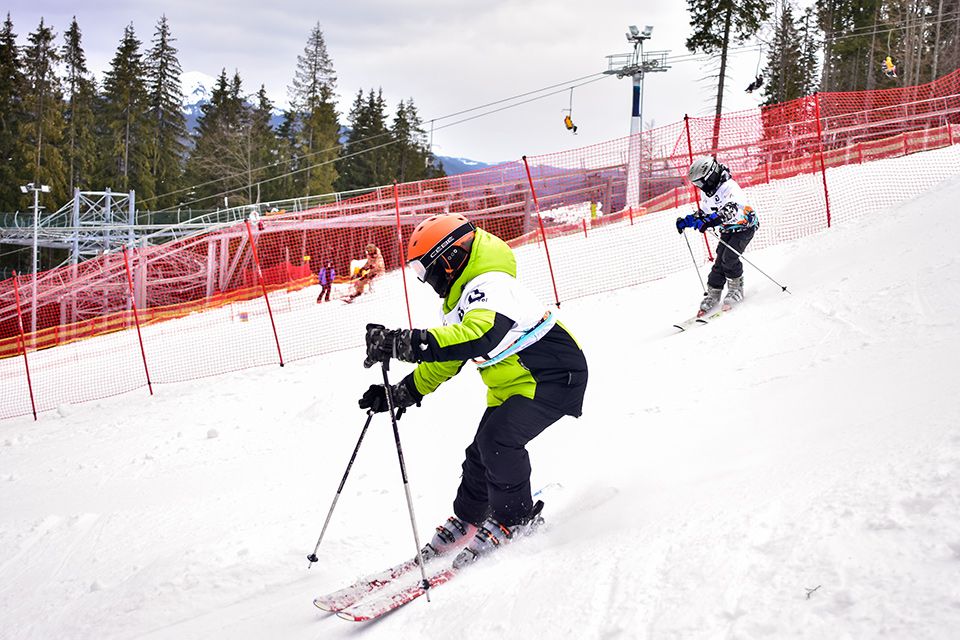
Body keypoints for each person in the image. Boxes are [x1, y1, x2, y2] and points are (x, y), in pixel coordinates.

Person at [357, 214, 588, 568]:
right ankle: (470, 517)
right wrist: (401, 392)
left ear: (449, 259)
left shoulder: (492, 285)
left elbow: (480, 336)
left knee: (498, 441)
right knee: (480, 451)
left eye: (424, 269)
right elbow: (448, 358)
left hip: (553, 375)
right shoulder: (459, 300)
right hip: (515, 383)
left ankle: (515, 519)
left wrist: (404, 342)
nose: (424, 279)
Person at [676, 156, 759, 314]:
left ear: (711, 176)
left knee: (729, 258)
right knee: (720, 260)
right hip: (727, 229)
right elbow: (705, 213)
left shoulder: (729, 187)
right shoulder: (708, 193)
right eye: (697, 184)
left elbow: (731, 210)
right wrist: (687, 221)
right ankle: (713, 293)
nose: (700, 187)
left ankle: (736, 289)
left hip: (744, 227)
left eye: (701, 183)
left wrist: (709, 221)